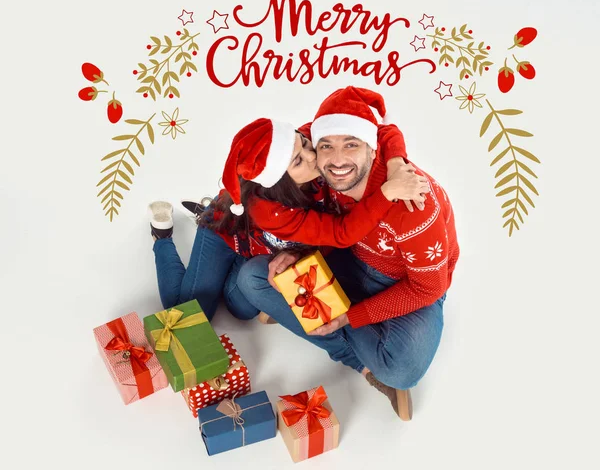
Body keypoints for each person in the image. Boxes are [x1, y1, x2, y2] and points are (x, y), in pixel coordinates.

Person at [233, 86, 460, 421]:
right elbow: (336, 230)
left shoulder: (412, 202)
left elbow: (429, 288)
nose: (336, 159)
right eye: (325, 147)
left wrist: (352, 316)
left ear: (372, 147)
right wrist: (300, 254)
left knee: (403, 370)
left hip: (407, 284)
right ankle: (362, 363)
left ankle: (350, 331)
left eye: (351, 145)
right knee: (252, 278)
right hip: (347, 259)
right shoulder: (319, 162)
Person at [148, 116, 427, 323]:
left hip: (256, 243)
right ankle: (163, 237)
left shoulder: (303, 144)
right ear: (279, 182)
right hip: (224, 231)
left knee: (242, 310)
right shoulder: (270, 210)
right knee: (190, 315)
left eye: (306, 144)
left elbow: (380, 126)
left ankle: (230, 254)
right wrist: (388, 192)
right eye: (298, 161)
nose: (313, 156)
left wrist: (395, 163)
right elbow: (342, 234)